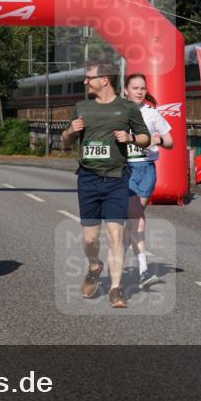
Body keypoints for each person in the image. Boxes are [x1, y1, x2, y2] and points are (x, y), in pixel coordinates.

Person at [61, 61, 150, 308]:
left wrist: (130, 137)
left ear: (104, 80)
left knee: (115, 234)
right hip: (88, 179)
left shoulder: (127, 108)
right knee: (90, 239)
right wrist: (70, 130)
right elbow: (66, 143)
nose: (85, 82)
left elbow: (146, 137)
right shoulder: (82, 107)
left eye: (88, 77)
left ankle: (116, 288)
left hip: (116, 179)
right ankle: (94, 265)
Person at [122, 73, 174, 289]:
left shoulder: (152, 114)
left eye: (143, 88)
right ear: (126, 90)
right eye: (135, 88)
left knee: (133, 222)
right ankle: (143, 271)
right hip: (123, 169)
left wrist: (158, 139)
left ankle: (116, 260)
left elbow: (170, 142)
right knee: (137, 221)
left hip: (145, 170)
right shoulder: (117, 112)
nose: (140, 91)